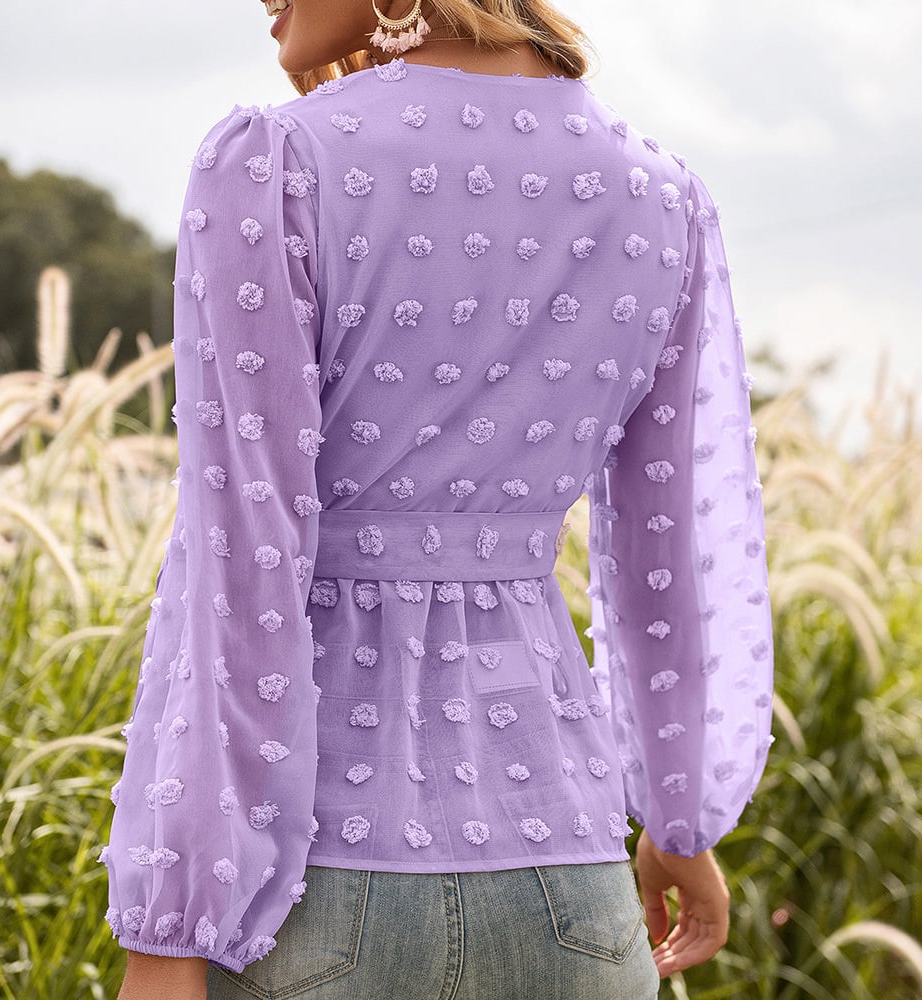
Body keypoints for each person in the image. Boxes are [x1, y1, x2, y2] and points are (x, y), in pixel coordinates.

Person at [105, 1, 774, 997]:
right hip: (576, 887)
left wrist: (168, 927)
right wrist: (678, 821)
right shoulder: (661, 196)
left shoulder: (276, 165)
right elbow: (673, 552)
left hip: (309, 892)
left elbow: (239, 564)